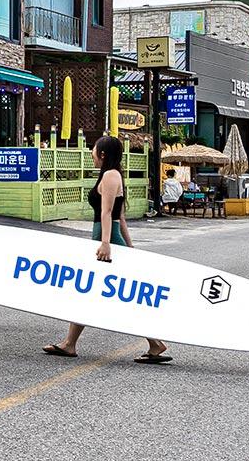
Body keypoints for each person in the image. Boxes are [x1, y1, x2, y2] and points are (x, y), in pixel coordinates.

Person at [45, 135, 171, 364]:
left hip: (106, 239)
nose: (91, 153)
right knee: (89, 291)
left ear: (102, 154)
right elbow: (120, 218)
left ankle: (155, 343)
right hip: (106, 237)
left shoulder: (110, 175)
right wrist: (129, 248)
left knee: (109, 293)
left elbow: (108, 212)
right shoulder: (110, 175)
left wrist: (105, 244)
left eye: (93, 149)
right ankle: (70, 343)